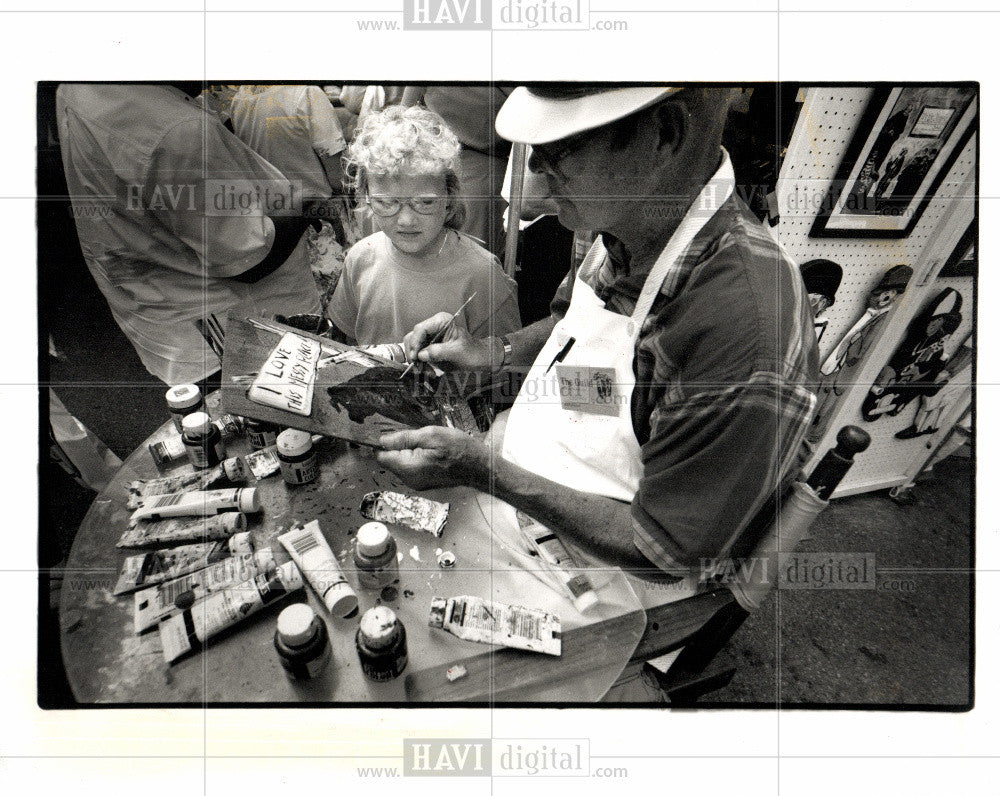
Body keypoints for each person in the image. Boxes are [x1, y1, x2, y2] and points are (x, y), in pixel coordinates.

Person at [375, 86, 819, 577]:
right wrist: (490, 352)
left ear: (664, 134)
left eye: (559, 150)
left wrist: (486, 471)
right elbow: (604, 372)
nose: (537, 174)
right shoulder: (617, 218)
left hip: (622, 582)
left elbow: (666, 549)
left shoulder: (746, 325)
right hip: (533, 494)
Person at [56, 83, 322, 385]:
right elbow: (250, 259)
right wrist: (307, 204)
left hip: (163, 316)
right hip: (231, 336)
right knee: (270, 419)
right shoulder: (178, 132)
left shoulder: (79, 86)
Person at [328, 105, 521, 346]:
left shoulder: (483, 275)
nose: (406, 220)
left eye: (425, 202)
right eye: (386, 203)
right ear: (365, 195)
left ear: (450, 196)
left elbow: (506, 371)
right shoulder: (360, 258)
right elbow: (343, 342)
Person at [228, 84, 349, 207]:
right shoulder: (306, 92)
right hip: (315, 212)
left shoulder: (240, 97)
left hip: (272, 212)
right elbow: (337, 177)